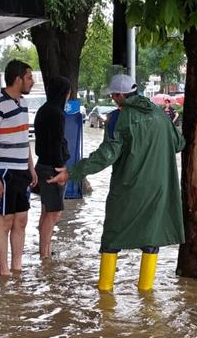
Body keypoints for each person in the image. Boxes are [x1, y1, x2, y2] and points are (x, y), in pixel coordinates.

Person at [48, 74, 185, 292]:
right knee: (150, 240)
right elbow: (179, 144)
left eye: (113, 95)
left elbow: (106, 155)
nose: (112, 98)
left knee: (112, 238)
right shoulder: (160, 114)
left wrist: (71, 172)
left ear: (121, 95)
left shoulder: (118, 118)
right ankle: (146, 295)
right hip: (160, 189)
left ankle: (104, 293)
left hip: (129, 188)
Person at [0, 60, 38, 276]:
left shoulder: (22, 103)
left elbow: (24, 139)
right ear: (18, 79)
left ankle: (17, 269)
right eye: (29, 77)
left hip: (22, 170)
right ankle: (4, 273)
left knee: (21, 221)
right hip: (3, 172)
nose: (32, 82)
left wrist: (30, 167)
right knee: (4, 222)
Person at [33, 76, 72, 260]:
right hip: (52, 168)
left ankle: (45, 251)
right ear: (63, 93)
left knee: (46, 211)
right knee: (54, 213)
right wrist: (61, 169)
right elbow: (56, 143)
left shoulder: (43, 110)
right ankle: (45, 254)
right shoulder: (56, 114)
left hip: (42, 164)